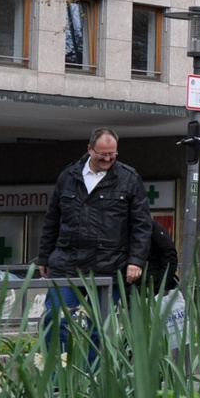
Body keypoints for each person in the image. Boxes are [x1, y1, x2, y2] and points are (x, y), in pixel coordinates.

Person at [38, 128, 153, 303]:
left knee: (99, 327)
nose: (107, 159)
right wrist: (44, 257)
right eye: (102, 154)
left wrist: (136, 261)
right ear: (90, 149)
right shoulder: (68, 176)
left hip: (109, 267)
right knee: (55, 318)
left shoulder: (129, 179)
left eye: (112, 154)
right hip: (67, 265)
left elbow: (142, 225)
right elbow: (52, 220)